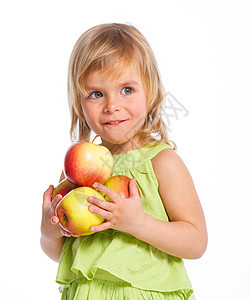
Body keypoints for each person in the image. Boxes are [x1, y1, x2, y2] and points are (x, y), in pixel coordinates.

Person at [40, 23, 208, 300]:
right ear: (78, 102)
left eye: (127, 90)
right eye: (96, 94)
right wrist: (49, 231)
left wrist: (138, 223)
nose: (111, 105)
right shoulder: (77, 171)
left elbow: (196, 242)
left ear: (150, 90)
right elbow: (60, 253)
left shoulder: (162, 163)